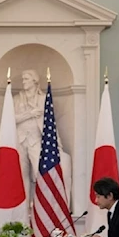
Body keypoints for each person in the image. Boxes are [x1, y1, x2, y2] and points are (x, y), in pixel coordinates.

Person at [13, 69, 71, 213]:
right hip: (20, 140)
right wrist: (29, 114)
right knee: (21, 175)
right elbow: (11, 119)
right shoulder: (16, 99)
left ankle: (41, 206)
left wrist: (58, 144)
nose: (23, 82)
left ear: (34, 81)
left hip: (37, 140)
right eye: (23, 79)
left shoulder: (44, 99)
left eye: (26, 79)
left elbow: (51, 124)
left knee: (41, 173)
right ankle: (24, 208)